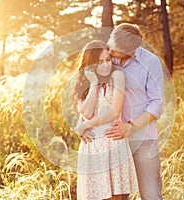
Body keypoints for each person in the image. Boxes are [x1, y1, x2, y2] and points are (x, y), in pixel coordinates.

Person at [71, 40, 138, 200]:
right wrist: (94, 84)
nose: (106, 65)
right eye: (100, 62)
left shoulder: (117, 76)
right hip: (92, 147)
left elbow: (114, 111)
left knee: (114, 197)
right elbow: (86, 112)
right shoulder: (83, 84)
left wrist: (86, 125)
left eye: (108, 59)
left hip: (111, 142)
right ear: (90, 64)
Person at [106, 23, 165, 200]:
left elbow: (157, 104)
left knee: (150, 194)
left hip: (143, 139)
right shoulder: (108, 60)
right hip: (113, 141)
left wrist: (131, 127)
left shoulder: (150, 62)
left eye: (115, 51)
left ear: (130, 50)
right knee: (117, 196)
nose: (110, 52)